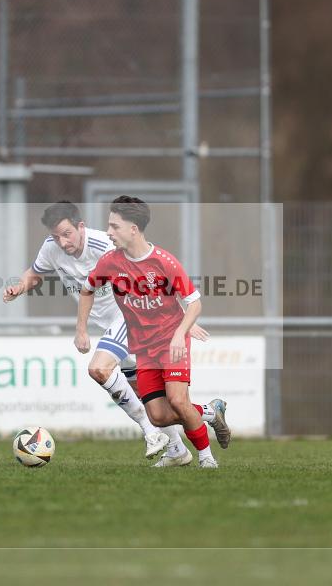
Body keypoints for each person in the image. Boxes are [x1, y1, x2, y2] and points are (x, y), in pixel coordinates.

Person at [4, 201, 212, 466]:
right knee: (147, 398)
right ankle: (180, 444)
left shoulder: (105, 244)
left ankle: (150, 433)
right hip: (109, 326)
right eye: (56, 236)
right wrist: (19, 287)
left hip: (127, 318)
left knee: (99, 369)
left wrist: (182, 318)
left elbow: (151, 273)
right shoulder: (51, 248)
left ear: (80, 226)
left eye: (67, 234)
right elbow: (35, 274)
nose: (62, 242)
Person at [79, 196, 230, 468]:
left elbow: (194, 303)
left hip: (172, 343)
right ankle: (210, 411)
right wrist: (81, 329)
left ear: (133, 229)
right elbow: (87, 289)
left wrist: (180, 333)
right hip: (143, 348)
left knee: (178, 400)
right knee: (158, 416)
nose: (109, 232)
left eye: (114, 226)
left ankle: (207, 458)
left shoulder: (164, 262)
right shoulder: (110, 262)